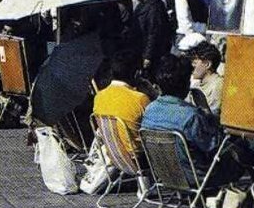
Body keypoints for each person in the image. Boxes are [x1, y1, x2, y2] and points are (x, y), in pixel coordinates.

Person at [141, 55, 223, 185]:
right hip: (195, 177)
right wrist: (206, 112)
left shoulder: (149, 110)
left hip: (165, 174)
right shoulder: (191, 116)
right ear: (186, 85)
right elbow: (213, 146)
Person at [92, 51, 152, 131]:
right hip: (134, 143)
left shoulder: (98, 97)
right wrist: (153, 92)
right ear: (137, 74)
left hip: (110, 143)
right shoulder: (140, 99)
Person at [130, 0, 172, 75]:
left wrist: (147, 56)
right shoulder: (142, 4)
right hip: (141, 48)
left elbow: (153, 32)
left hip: (152, 52)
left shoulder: (154, 7)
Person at [186, 42, 224, 116]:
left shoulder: (219, 85)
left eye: (194, 63)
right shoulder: (196, 85)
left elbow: (213, 118)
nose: (191, 66)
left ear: (207, 64)